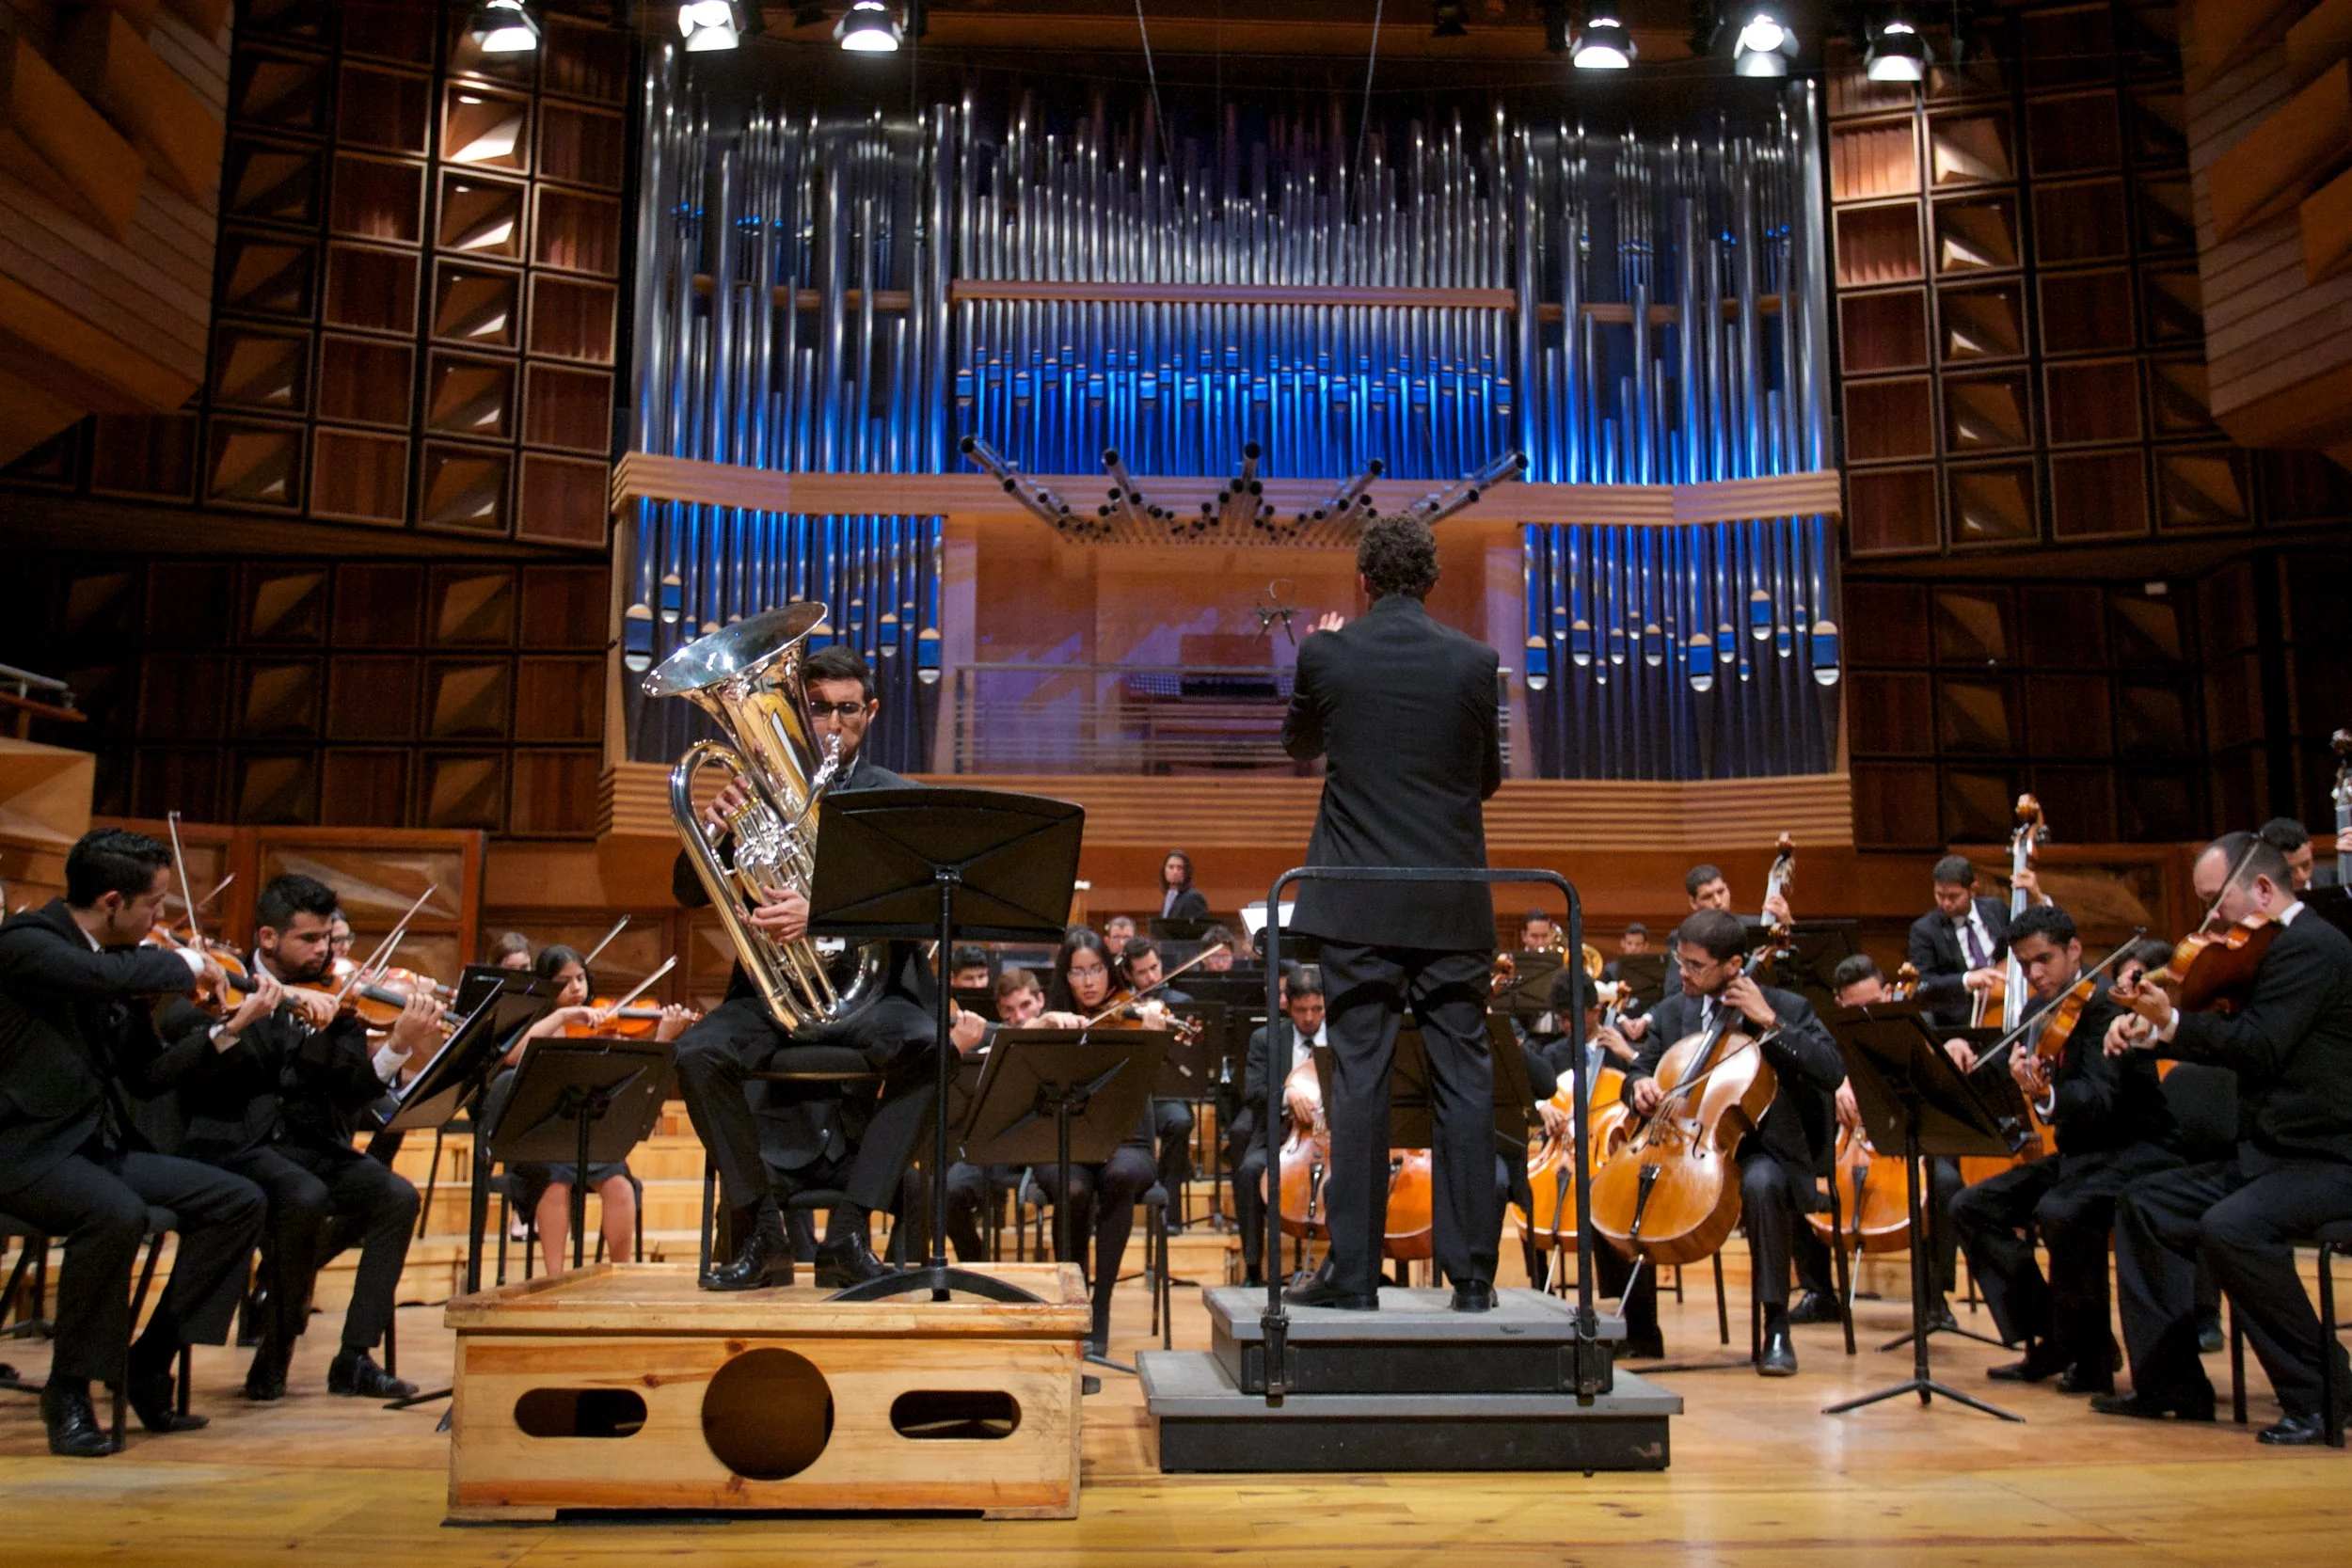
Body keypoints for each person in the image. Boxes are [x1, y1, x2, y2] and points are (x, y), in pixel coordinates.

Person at [668, 642, 975, 1291]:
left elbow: (925, 907)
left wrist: (825, 913)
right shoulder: (756, 786)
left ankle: (851, 1230)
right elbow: (688, 892)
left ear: (872, 710)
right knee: (697, 1053)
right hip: (777, 992)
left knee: (931, 1048)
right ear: (799, 711)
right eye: (818, 708)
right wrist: (715, 828)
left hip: (872, 993)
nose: (834, 723)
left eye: (847, 709)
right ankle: (762, 1228)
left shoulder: (895, 797)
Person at [1279, 513, 1504, 1314]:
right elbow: (1487, 779)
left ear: (1365, 581)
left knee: (1362, 1082)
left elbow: (1296, 740)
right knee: (1462, 1082)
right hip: (1450, 905)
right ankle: (1474, 1277)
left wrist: (1328, 650)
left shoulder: (1327, 652)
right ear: (1431, 580)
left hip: (1359, 901)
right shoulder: (1478, 662)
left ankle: (1353, 1273)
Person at [0, 828, 267, 1455]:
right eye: (155, 904)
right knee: (114, 1213)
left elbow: (146, 1076)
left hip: (92, 1147)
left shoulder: (122, 970)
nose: (162, 919)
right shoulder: (27, 944)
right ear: (114, 900)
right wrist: (186, 964)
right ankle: (68, 1389)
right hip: (22, 1147)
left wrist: (226, 1030)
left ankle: (144, 1363)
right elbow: (89, 975)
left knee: (238, 1201)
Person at [2095, 832, 2352, 1443]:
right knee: (2147, 1205)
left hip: (2328, 1158)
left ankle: (2325, 1394)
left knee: (2231, 1227)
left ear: (2263, 889)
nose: (2211, 922)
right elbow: (2224, 1024)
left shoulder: (2314, 948)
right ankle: (2171, 1384)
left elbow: (2260, 1045)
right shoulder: (2262, 951)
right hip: (2270, 1156)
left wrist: (2171, 1023)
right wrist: (2156, 1026)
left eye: (2217, 902)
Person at [159, 873, 440, 1403]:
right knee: (303, 1196)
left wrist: (398, 1045)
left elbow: (353, 1093)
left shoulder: (337, 995)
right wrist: (254, 1014)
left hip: (309, 1145)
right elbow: (187, 1058)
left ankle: (354, 1357)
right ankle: (276, 1349)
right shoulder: (229, 982)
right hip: (237, 1144)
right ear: (268, 938)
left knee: (397, 1197)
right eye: (309, 940)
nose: (324, 953)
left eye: (328, 939)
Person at [1943, 906, 2178, 1396]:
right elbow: (2005, 1073)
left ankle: (2091, 1357)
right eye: (2024, 965)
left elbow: (2099, 1099)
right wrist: (1964, 1054)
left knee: (2062, 1210)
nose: (2034, 973)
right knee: (1971, 1205)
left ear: (2074, 951)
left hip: (2134, 1151)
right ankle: (2052, 1336)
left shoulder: (2110, 1012)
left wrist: (2046, 1095)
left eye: (2043, 959)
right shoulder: (2037, 1013)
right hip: (2080, 1157)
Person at [1618, 908, 1844, 1375]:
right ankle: (1640, 1332)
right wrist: (1637, 1085)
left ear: (1733, 965)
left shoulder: (1787, 1006)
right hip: (1686, 1143)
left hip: (1763, 1148)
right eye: (1681, 961)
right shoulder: (1672, 1011)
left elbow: (1829, 1068)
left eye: (1696, 966)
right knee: (1624, 1184)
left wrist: (1769, 1021)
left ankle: (1776, 1328)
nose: (1684, 973)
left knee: (1763, 1186)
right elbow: (1642, 1066)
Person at [495, 945, 691, 1277]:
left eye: (580, 978)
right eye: (564, 981)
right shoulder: (534, 1022)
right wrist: (559, 1018)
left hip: (586, 1138)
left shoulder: (600, 1022)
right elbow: (510, 1057)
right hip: (538, 1142)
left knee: (621, 1185)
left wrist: (663, 1035)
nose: (576, 988)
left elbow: (642, 1074)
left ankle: (618, 1274)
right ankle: (554, 1279)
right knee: (555, 1183)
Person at [1040, 927, 1159, 1350]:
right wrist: (1043, 1024)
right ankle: (1074, 1302)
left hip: (1129, 1141)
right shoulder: (1050, 1018)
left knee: (1120, 1174)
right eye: (1077, 973)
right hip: (1063, 1141)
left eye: (1096, 970)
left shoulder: (1131, 1013)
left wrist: (1154, 1032)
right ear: (1064, 977)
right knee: (1072, 1188)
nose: (1089, 982)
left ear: (1110, 972)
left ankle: (1102, 1304)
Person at [1230, 965, 1327, 1288]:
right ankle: (1254, 1268)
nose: (1310, 1018)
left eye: (1317, 1009)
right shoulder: (1266, 1039)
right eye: (1302, 1010)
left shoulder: (1342, 1038)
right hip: (1282, 1137)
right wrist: (1286, 1094)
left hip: (1332, 1138)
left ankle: (1350, 1267)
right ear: (1287, 1005)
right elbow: (1253, 1091)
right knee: (1249, 1171)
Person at [1908, 854, 2040, 1029]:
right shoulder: (1924, 930)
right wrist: (1967, 979)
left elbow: (2027, 937)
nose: (1945, 903)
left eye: (1954, 896)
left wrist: (2038, 899)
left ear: (1972, 890)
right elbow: (1923, 984)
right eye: (1940, 895)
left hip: (2004, 1005)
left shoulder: (1995, 908)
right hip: (1959, 1022)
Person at [1121, 939, 1198, 1225]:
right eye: (1142, 972)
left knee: (1180, 1121)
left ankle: (1170, 1213)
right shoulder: (1120, 1006)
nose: (1152, 977)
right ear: (1129, 975)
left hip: (1165, 1093)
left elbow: (1190, 1056)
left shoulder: (1180, 1003)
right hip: (1126, 1098)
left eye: (1155, 967)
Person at [2255, 817, 2315, 893]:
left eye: (2306, 865)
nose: (2302, 876)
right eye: (2289, 870)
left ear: (2311, 849)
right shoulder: (2255, 898)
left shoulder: (2333, 881)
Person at [1157, 851, 1208, 924]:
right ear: (1164, 871)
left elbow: (1195, 930)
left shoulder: (1193, 898)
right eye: (1171, 867)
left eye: (1180, 868)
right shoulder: (1169, 896)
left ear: (1186, 872)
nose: (1175, 872)